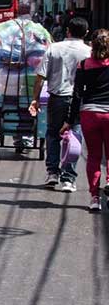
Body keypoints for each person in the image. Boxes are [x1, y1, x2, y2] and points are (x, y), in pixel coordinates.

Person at [31, 16, 90, 191]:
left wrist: (35, 99)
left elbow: (40, 78)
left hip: (57, 98)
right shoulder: (88, 52)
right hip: (80, 100)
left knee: (53, 134)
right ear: (86, 33)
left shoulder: (54, 49)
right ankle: (68, 178)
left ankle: (53, 173)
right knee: (75, 137)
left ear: (67, 31)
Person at [61, 28, 109, 212]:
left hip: (89, 114)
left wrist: (69, 120)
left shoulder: (83, 65)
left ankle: (94, 198)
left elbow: (77, 95)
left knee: (94, 157)